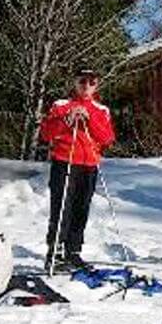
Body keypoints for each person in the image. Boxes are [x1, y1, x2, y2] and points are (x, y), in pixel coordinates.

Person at [37, 67, 116, 273]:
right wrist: (67, 119)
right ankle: (55, 252)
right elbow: (46, 134)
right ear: (75, 82)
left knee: (81, 208)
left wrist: (89, 119)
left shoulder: (101, 110)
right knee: (62, 207)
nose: (86, 86)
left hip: (89, 164)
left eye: (91, 82)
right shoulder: (61, 105)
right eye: (82, 81)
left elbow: (107, 138)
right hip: (65, 162)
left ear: (96, 85)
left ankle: (73, 251)